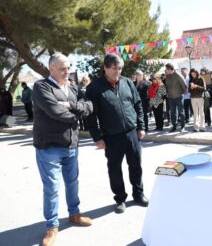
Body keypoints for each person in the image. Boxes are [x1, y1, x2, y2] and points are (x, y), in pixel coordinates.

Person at [32, 53, 93, 246]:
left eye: (68, 68)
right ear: (51, 69)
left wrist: (71, 105)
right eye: (62, 69)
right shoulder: (41, 87)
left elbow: (89, 106)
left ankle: (74, 214)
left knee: (73, 182)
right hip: (49, 147)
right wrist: (77, 114)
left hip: (71, 145)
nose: (67, 72)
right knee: (51, 188)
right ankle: (52, 226)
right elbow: (55, 111)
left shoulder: (73, 87)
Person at [86, 53, 149, 214]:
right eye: (114, 68)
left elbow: (138, 105)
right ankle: (120, 198)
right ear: (105, 68)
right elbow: (90, 116)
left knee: (135, 165)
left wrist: (141, 126)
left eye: (120, 68)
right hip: (111, 137)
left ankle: (138, 194)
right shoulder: (94, 88)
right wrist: (97, 138)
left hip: (132, 133)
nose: (118, 72)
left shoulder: (127, 82)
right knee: (114, 168)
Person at [164, 63, 186, 132]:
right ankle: (174, 126)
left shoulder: (178, 75)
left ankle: (183, 126)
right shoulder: (167, 76)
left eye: (166, 69)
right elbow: (166, 86)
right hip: (170, 97)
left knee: (181, 112)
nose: (165, 70)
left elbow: (184, 85)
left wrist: (182, 93)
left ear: (170, 69)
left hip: (179, 97)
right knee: (172, 113)